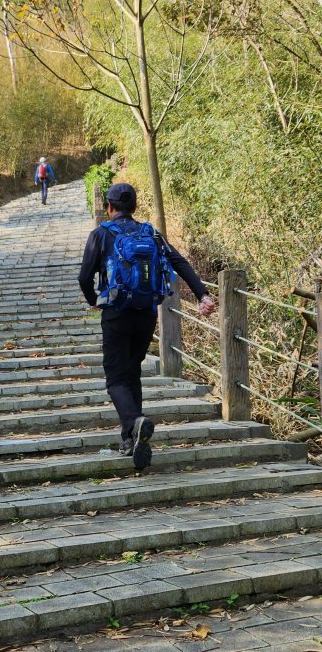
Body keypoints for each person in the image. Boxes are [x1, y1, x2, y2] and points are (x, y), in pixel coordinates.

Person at [78, 182, 215, 471]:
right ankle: (131, 441)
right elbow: (178, 262)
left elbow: (83, 277)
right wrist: (202, 294)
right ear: (135, 207)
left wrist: (94, 301)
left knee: (115, 380)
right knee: (132, 373)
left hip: (116, 314)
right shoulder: (150, 233)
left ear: (109, 208)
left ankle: (134, 422)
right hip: (146, 315)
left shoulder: (101, 234)